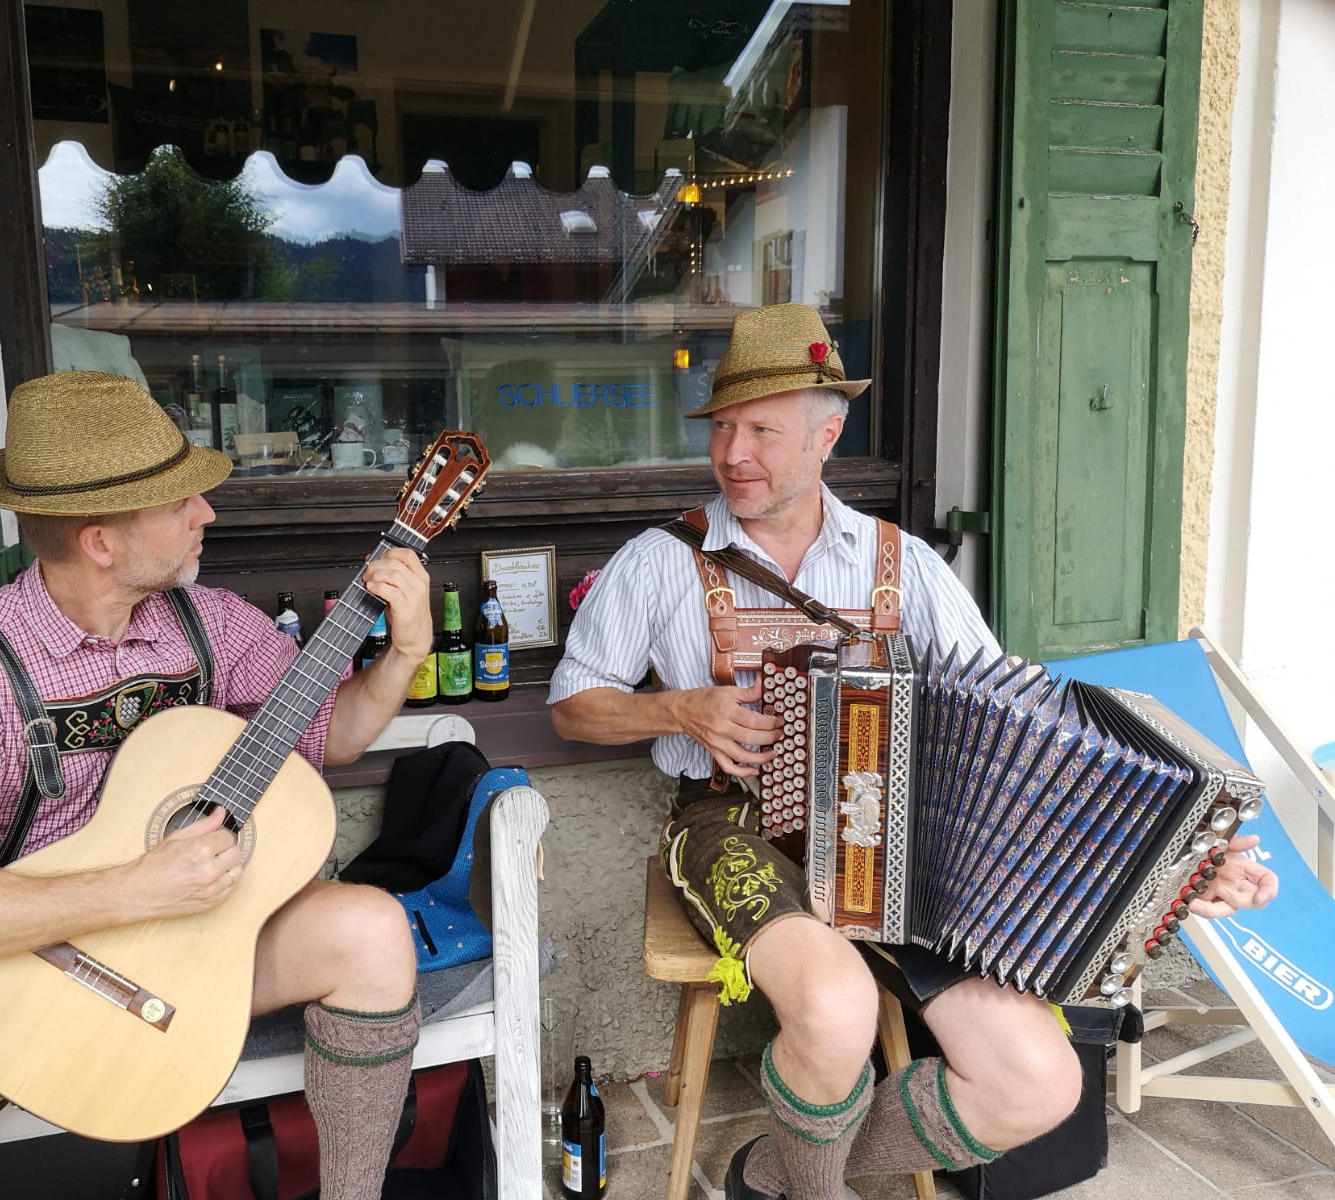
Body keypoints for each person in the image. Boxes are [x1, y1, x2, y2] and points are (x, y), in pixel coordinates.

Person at [548, 304, 1279, 1200]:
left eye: (763, 430)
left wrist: (1180, 860)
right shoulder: (661, 560)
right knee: (834, 1005)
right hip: (730, 822)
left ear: (828, 434)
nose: (734, 452)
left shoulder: (906, 564)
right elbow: (573, 709)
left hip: (902, 841)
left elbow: (1031, 726)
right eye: (724, 427)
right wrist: (679, 708)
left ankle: (775, 1171)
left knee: (1038, 1082)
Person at [0, 371, 435, 1200]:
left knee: (371, 930)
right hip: (0, 975)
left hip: (193, 951)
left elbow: (331, 734)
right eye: (179, 502)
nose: (207, 515)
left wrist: (401, 653)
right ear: (101, 541)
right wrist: (133, 887)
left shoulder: (210, 624)